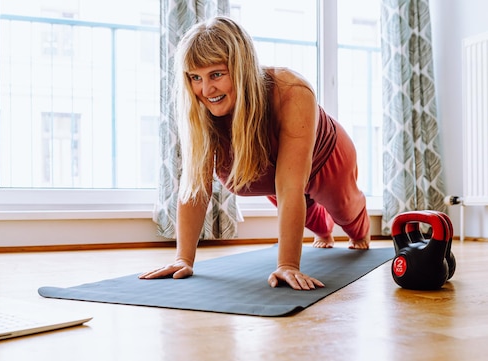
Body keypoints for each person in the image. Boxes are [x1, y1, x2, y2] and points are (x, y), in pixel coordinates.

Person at [140, 16, 370, 290]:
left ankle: (358, 228)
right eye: (195, 77)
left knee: (351, 223)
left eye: (216, 74)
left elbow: (290, 187)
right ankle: (324, 230)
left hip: (327, 157)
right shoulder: (201, 107)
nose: (205, 89)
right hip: (271, 164)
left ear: (241, 68)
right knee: (316, 225)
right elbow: (196, 187)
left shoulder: (291, 92)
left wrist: (287, 265)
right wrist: (183, 258)